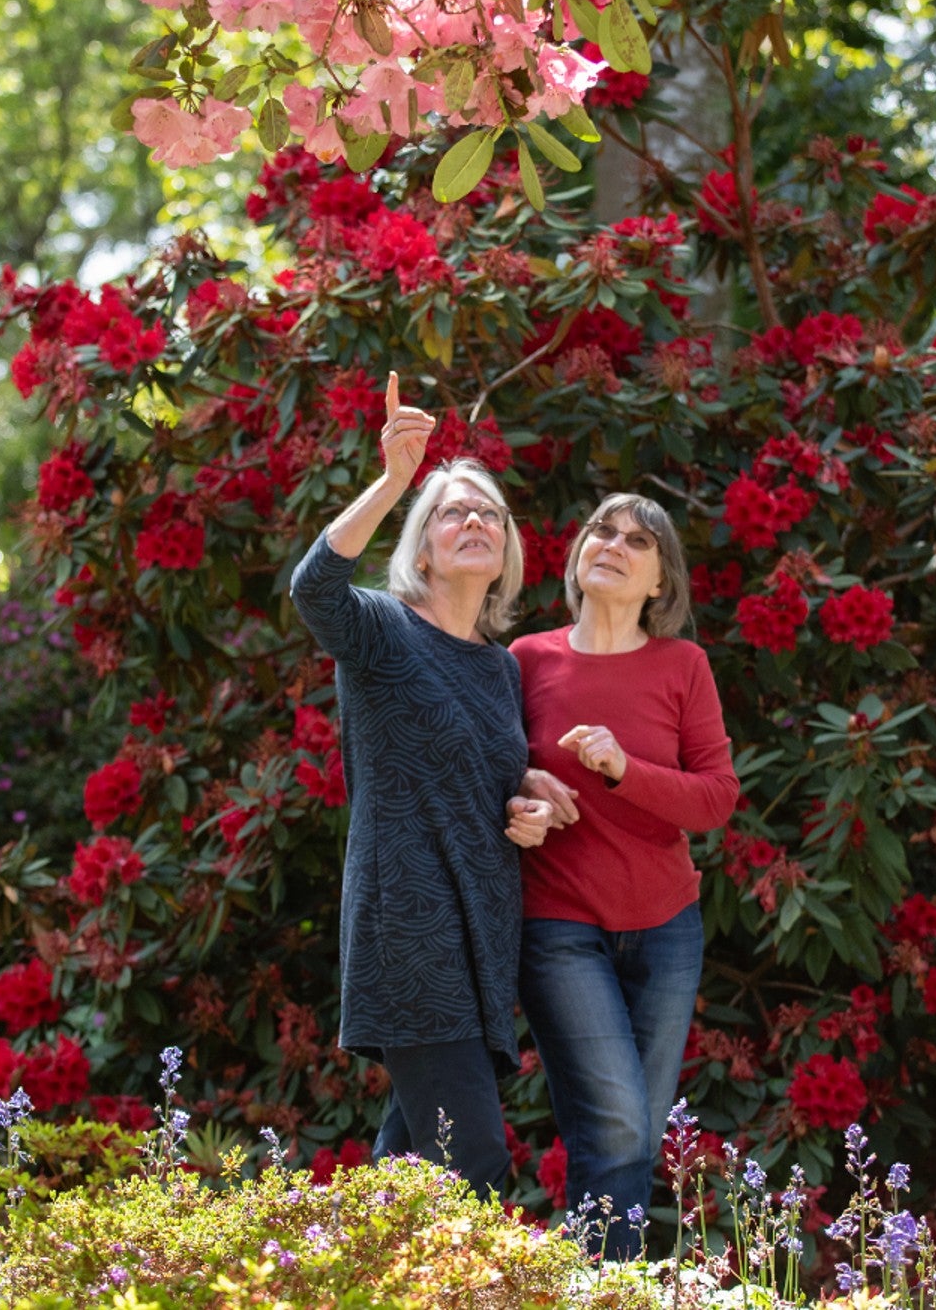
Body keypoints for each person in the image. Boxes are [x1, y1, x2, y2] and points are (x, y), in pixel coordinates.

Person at [288, 372, 562, 1196]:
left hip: (483, 943)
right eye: (452, 512)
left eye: (489, 513)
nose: (474, 520)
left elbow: (494, 789)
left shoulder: (499, 672)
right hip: (411, 934)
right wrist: (395, 480)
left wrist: (533, 810)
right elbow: (313, 587)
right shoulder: (380, 628)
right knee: (473, 1165)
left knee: (406, 1176)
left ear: (507, 548)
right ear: (423, 543)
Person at [510, 493, 737, 1258]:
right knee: (617, 1123)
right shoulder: (526, 662)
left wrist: (620, 769)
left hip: (667, 927)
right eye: (602, 530)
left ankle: (599, 1283)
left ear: (659, 585)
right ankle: (612, 1287)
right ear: (579, 556)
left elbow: (715, 799)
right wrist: (524, 800)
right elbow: (491, 780)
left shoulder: (683, 666)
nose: (614, 543)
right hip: (560, 924)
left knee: (632, 1133)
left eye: (638, 541)